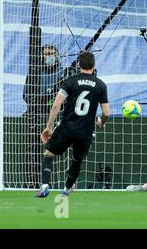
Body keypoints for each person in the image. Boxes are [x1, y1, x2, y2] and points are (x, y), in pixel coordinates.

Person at [36, 51, 110, 197]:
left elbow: (56, 105)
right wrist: (101, 122)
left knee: (49, 154)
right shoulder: (101, 85)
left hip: (67, 128)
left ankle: (45, 186)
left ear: (78, 65)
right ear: (94, 65)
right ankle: (67, 190)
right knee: (77, 160)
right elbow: (106, 113)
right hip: (86, 131)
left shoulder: (70, 81)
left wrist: (49, 127)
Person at [23, 44, 65, 188]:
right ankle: (31, 181)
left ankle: (52, 183)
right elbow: (26, 94)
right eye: (47, 54)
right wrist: (39, 101)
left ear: (57, 55)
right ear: (41, 56)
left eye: (52, 53)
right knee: (34, 151)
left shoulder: (62, 73)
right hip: (37, 115)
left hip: (56, 116)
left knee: (53, 151)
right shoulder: (34, 73)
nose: (50, 57)